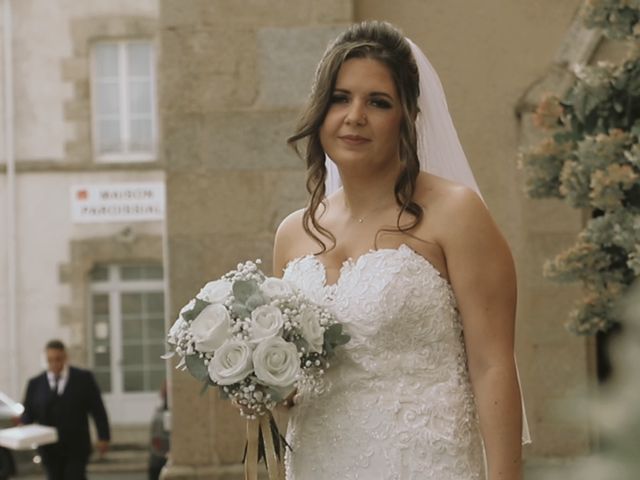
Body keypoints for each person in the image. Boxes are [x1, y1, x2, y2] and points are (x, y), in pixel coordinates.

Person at [272, 21, 530, 479]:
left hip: (424, 463)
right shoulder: (294, 234)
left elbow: (492, 364)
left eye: (378, 102)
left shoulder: (455, 213)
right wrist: (257, 379)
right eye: (340, 98)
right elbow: (292, 383)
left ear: (408, 116)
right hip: (318, 461)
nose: (355, 116)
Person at [21, 339, 110, 480]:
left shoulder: (83, 379)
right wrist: (22, 432)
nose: (55, 364)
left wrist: (103, 436)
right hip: (48, 448)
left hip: (77, 446)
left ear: (65, 357)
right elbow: (28, 414)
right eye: (50, 360)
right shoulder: (35, 384)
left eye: (58, 359)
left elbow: (98, 409)